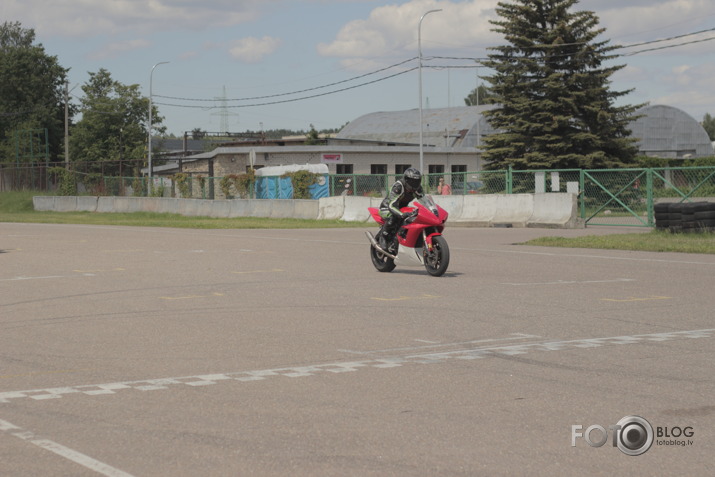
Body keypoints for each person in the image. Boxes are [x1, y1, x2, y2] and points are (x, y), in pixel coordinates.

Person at [378, 167, 424, 250]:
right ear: (406, 180)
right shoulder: (398, 186)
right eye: (412, 181)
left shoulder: (418, 188)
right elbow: (391, 205)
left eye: (417, 181)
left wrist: (431, 210)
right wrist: (402, 214)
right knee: (393, 217)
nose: (415, 183)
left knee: (414, 217)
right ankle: (383, 236)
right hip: (387, 208)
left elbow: (424, 200)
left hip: (403, 208)